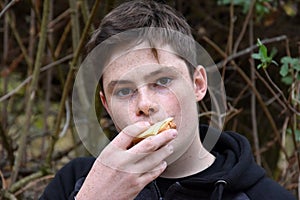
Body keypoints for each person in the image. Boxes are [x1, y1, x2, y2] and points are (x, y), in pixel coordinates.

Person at [40, 1, 296, 199]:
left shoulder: (263, 196)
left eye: (162, 82)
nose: (144, 104)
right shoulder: (74, 183)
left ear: (198, 84)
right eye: (124, 91)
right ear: (106, 105)